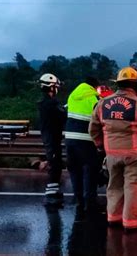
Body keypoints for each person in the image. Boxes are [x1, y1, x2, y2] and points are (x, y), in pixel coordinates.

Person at [89, 67, 137, 231]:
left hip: (111, 156)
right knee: (133, 189)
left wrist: (100, 146)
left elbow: (93, 129)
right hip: (135, 157)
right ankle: (131, 225)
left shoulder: (102, 104)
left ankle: (113, 219)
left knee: (114, 187)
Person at [65, 76, 102, 213]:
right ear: (94, 86)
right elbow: (100, 121)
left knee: (75, 170)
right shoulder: (94, 99)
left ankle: (78, 200)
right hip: (86, 140)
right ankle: (90, 202)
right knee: (90, 170)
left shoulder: (72, 96)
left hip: (69, 139)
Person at [37, 73, 67, 206]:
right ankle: (51, 196)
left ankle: (54, 191)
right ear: (52, 87)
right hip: (52, 137)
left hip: (49, 136)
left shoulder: (44, 103)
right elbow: (62, 117)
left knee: (56, 162)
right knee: (54, 164)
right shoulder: (51, 104)